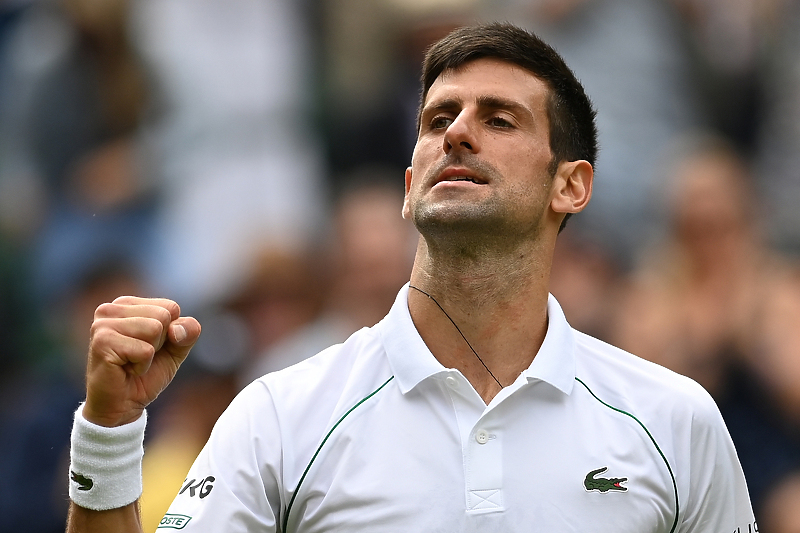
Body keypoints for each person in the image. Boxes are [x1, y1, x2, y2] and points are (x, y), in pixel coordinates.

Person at [65, 23, 755, 532]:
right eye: (438, 118)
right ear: (409, 185)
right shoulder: (278, 413)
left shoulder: (677, 419)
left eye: (499, 119)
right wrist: (109, 427)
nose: (457, 133)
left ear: (570, 186)